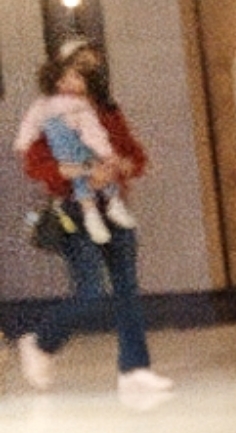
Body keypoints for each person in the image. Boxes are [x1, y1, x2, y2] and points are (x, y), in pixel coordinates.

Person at [16, 38, 173, 401]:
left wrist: (120, 167)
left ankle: (135, 369)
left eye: (92, 67)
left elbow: (135, 156)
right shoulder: (49, 113)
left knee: (127, 290)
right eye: (79, 66)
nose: (87, 73)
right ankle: (40, 342)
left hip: (114, 208)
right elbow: (36, 166)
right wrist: (87, 171)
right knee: (90, 292)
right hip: (74, 210)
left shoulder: (107, 111)